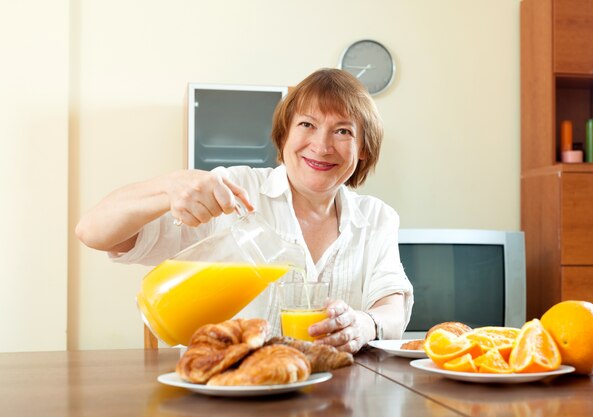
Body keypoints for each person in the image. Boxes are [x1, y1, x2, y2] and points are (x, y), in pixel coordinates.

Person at [76, 68, 413, 353]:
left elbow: (392, 309)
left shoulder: (378, 218)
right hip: (227, 394)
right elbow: (93, 232)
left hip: (335, 397)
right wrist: (169, 187)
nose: (322, 145)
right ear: (283, 136)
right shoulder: (234, 191)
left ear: (364, 149)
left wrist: (365, 324)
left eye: (342, 131)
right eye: (307, 125)